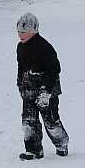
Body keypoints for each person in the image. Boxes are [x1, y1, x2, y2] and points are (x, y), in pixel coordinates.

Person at [15, 13, 68, 160]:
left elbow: (54, 70)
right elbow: (21, 67)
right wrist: (20, 83)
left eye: (23, 32)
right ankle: (33, 149)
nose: (20, 35)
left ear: (33, 31)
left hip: (46, 91)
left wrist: (46, 91)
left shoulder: (45, 48)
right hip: (28, 90)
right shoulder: (21, 47)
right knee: (28, 121)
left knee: (51, 121)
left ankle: (61, 143)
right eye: (18, 31)